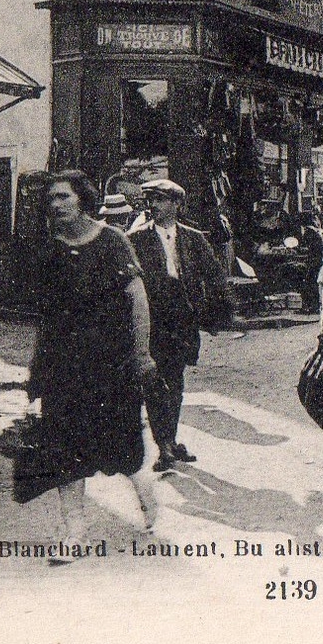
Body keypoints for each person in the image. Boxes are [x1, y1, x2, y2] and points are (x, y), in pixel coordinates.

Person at [20, 171, 159, 557]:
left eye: (63, 197)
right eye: (51, 199)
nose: (56, 204)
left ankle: (147, 496)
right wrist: (38, 371)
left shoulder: (112, 241)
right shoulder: (49, 248)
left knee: (123, 448)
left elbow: (138, 299)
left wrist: (141, 353)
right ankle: (74, 535)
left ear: (83, 198)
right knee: (64, 453)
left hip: (110, 363)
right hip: (63, 364)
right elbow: (46, 316)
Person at [128, 178, 232, 473]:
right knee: (154, 382)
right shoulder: (136, 238)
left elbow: (214, 276)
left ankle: (170, 441)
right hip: (152, 317)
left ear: (176, 204)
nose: (153, 205)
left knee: (175, 381)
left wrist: (215, 313)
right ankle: (163, 447)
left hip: (182, 317)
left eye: (160, 199)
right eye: (151, 200)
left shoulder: (194, 238)